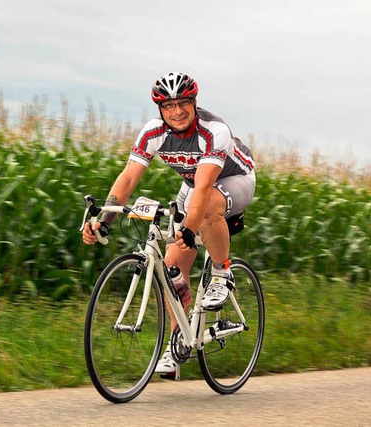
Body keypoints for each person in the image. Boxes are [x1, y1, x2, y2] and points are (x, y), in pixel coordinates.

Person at [81, 72, 256, 378]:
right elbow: (129, 177)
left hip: (233, 179)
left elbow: (203, 189)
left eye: (184, 103)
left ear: (194, 103)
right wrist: (104, 220)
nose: (177, 111)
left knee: (203, 213)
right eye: (169, 105)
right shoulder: (152, 133)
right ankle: (178, 344)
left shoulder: (214, 130)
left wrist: (189, 226)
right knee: (174, 270)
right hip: (193, 183)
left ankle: (222, 272)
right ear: (160, 109)